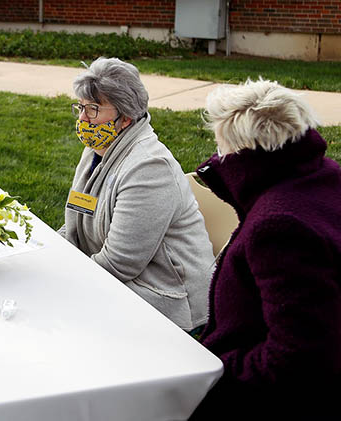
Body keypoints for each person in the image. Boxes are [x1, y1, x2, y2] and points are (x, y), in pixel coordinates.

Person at [190, 80, 341, 419]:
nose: (216, 155)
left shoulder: (279, 228)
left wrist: (215, 369)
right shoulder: (322, 175)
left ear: (240, 149)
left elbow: (299, 358)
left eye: (220, 143)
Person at [59, 57, 214, 332]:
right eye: (80, 107)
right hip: (118, 283)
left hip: (163, 298)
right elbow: (74, 222)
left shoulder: (149, 167)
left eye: (93, 109)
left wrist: (61, 281)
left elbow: (119, 264)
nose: (82, 119)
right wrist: (48, 255)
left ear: (126, 117)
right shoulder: (97, 149)